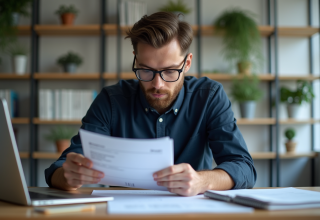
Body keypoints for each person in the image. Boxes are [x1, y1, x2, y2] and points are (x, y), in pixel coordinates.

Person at [45, 12, 256, 196]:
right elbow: (59, 168)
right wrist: (68, 176)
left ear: (187, 63)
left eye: (170, 71)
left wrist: (202, 181)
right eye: (146, 70)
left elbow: (244, 168)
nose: (157, 84)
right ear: (135, 60)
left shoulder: (209, 96)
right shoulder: (111, 100)